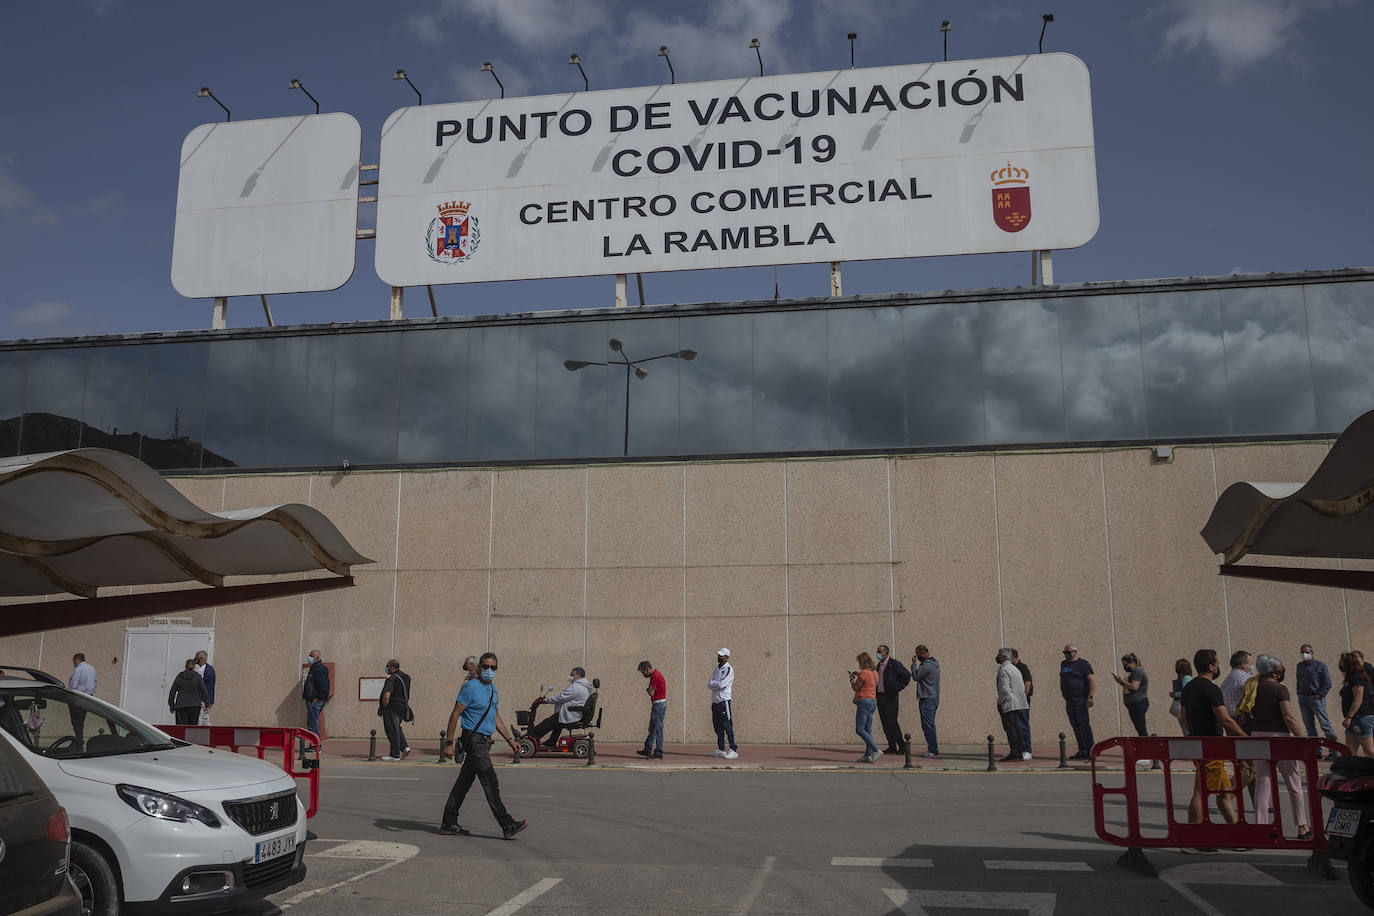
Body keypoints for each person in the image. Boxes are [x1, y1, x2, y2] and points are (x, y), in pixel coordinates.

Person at [438, 652, 528, 839]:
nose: (489, 670)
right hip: (473, 740)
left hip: (484, 742)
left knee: (463, 783)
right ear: (480, 667)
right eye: (486, 667)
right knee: (490, 780)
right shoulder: (470, 687)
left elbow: (495, 717)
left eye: (493, 668)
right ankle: (507, 824)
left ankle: (448, 822)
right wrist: (449, 742)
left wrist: (510, 740)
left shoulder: (494, 690)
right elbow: (455, 714)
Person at [1181, 648, 1247, 852]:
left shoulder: (1189, 687)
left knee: (1225, 792)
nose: (1218, 666)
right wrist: (1246, 739)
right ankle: (1196, 840)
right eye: (1217, 663)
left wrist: (1192, 734)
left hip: (1196, 741)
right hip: (1211, 745)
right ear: (1211, 666)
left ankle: (1236, 837)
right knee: (1201, 792)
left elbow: (1183, 717)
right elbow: (1225, 719)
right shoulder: (1211, 689)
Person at [1248, 655, 1310, 839]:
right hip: (1279, 738)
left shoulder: (1254, 688)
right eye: (1281, 668)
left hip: (1257, 736)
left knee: (1262, 782)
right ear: (1275, 672)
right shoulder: (1280, 689)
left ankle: (1262, 827)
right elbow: (1289, 717)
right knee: (1293, 782)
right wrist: (1302, 738)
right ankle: (1302, 826)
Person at [529, 666, 591, 749]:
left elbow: (560, 698)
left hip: (572, 714)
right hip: (575, 713)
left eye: (572, 675)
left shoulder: (575, 687)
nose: (570, 677)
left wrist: (546, 701)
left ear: (579, 676)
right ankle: (551, 742)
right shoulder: (584, 686)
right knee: (557, 723)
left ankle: (532, 735)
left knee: (548, 722)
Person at [1296, 643, 1339, 759]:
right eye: (1302, 652)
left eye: (1307, 652)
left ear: (1312, 653)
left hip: (1316, 698)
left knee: (1325, 725)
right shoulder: (1299, 666)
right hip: (1303, 698)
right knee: (1309, 726)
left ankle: (1334, 751)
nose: (1305, 654)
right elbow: (1298, 680)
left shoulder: (1320, 665)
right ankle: (1316, 752)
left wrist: (1320, 695)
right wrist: (1299, 693)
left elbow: (1327, 683)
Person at [1060, 645, 1096, 760]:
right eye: (1065, 652)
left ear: (1075, 652)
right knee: (1075, 726)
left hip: (1080, 699)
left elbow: (1091, 680)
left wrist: (1090, 696)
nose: (1066, 654)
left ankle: (1090, 751)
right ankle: (1082, 750)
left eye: (1069, 652)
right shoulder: (1064, 664)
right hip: (1069, 700)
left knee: (1083, 725)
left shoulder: (1082, 664)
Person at [874, 643, 910, 756]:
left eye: (880, 652)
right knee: (885, 722)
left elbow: (907, 675)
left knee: (892, 722)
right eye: (878, 651)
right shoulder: (879, 665)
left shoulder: (894, 664)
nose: (878, 654)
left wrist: (897, 688)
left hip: (890, 697)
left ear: (886, 652)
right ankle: (892, 745)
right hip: (880, 696)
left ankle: (902, 746)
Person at [996, 649, 1030, 761]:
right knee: (1017, 729)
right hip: (1018, 703)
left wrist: (1002, 701)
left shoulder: (1004, 670)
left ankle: (1014, 753)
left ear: (1003, 657)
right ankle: (1019, 752)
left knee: (1011, 730)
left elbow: (1004, 688)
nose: (997, 657)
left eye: (998, 655)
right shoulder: (1014, 669)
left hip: (1010, 704)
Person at [1339, 652, 1374, 757]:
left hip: (1361, 719)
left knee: (1369, 751)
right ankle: (1351, 772)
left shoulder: (1357, 678)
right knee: (1349, 752)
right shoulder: (1349, 679)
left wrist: (1349, 717)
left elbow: (1358, 699)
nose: (1340, 664)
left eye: (1342, 662)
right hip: (1353, 721)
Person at [849, 651, 880, 763]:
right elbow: (869, 683)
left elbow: (856, 688)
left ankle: (876, 750)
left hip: (864, 701)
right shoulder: (875, 673)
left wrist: (852, 680)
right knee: (868, 729)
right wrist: (858, 675)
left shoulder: (863, 673)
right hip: (873, 701)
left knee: (860, 729)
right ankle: (868, 755)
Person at [707, 649, 738, 759]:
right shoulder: (716, 669)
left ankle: (733, 749)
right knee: (717, 726)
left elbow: (722, 684)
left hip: (723, 702)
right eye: (718, 655)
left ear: (726, 657)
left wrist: (715, 684)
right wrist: (715, 684)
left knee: (727, 725)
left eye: (721, 655)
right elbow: (709, 684)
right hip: (715, 702)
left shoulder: (728, 669)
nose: (719, 657)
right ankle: (721, 749)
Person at [910, 645, 940, 758]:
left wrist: (913, 664)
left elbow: (916, 676)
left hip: (927, 698)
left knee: (928, 725)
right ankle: (932, 748)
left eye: (918, 654)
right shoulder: (934, 663)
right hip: (933, 697)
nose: (917, 657)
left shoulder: (926, 665)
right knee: (929, 725)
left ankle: (933, 750)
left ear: (923, 653)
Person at [379, 658, 412, 761]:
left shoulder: (391, 679)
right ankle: (404, 747)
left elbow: (386, 696)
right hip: (402, 708)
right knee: (396, 728)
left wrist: (385, 707)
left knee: (391, 730)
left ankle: (394, 754)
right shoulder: (406, 677)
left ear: (392, 668)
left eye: (388, 667)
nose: (387, 669)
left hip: (392, 708)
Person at [1113, 653, 1150, 738]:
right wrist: (1120, 682)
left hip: (1138, 703)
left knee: (1141, 729)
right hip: (1133, 703)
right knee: (1139, 728)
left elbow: (1134, 686)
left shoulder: (1138, 671)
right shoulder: (1134, 672)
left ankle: (1145, 745)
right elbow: (1129, 687)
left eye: (1125, 664)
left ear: (1132, 662)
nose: (1125, 667)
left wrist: (1122, 681)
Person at [636, 660, 667, 759]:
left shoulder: (655, 676)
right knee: (653, 729)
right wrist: (649, 689)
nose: (643, 674)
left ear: (647, 669)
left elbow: (651, 692)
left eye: (643, 672)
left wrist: (648, 689)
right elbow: (651, 690)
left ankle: (659, 752)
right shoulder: (655, 675)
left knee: (658, 730)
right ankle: (648, 749)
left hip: (658, 705)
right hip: (657, 705)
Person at [168, 659, 209, 725]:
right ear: (194, 667)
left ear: (185, 666)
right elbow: (204, 691)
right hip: (194, 706)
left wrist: (172, 706)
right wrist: (207, 704)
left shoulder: (179, 677)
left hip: (181, 706)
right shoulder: (197, 677)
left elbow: (172, 693)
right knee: (192, 729)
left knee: (181, 729)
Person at [68, 653, 97, 749]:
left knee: (76, 721)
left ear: (77, 660)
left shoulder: (78, 669)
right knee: (81, 720)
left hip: (78, 697)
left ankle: (79, 742)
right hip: (88, 697)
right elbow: (95, 682)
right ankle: (79, 740)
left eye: (73, 661)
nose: (73, 663)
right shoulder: (92, 668)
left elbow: (73, 686)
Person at [302, 649, 330, 738]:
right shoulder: (314, 667)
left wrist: (319, 698)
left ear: (317, 658)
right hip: (312, 700)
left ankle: (316, 746)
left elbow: (323, 685)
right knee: (311, 723)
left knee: (313, 724)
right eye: (309, 655)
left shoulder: (318, 668)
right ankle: (314, 745)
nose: (309, 657)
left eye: (311, 656)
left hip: (314, 701)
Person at [1011, 648, 1033, 753]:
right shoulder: (1010, 668)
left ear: (1014, 656)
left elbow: (1027, 683)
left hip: (1022, 701)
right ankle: (1017, 750)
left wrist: (1023, 698)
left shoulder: (1022, 667)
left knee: (1023, 725)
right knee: (1015, 727)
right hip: (1013, 702)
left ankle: (1027, 750)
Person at [1220, 650, 1252, 716]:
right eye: (1250, 664)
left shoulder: (1228, 679)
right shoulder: (1245, 679)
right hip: (1240, 718)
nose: (1252, 666)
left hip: (1229, 718)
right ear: (1243, 664)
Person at [1170, 658, 1194, 735]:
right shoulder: (1185, 678)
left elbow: (1186, 693)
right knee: (1186, 728)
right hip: (1182, 707)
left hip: (1182, 707)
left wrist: (1175, 694)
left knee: (1186, 729)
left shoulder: (1186, 678)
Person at [194, 650, 215, 726]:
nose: (194, 660)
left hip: (202, 699)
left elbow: (198, 686)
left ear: (201, 658)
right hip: (209, 699)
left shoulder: (201, 670)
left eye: (196, 658)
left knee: (200, 720)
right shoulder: (211, 669)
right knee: (205, 719)